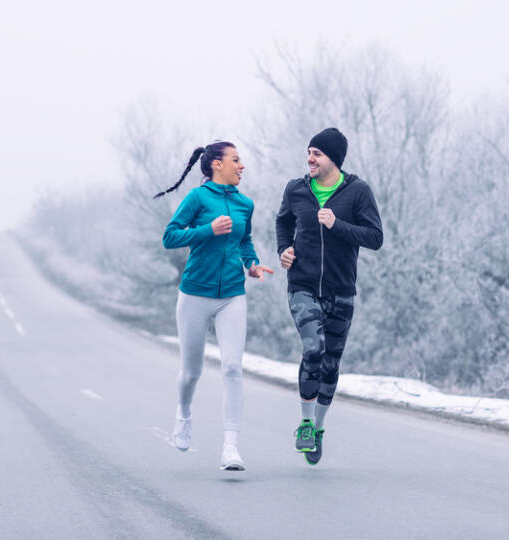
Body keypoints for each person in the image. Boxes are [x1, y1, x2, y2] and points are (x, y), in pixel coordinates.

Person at [157, 141, 273, 471]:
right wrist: (207, 230)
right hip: (194, 294)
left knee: (233, 367)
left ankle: (231, 447)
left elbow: (244, 240)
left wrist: (252, 263)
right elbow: (170, 237)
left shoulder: (244, 204)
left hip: (232, 295)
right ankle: (184, 413)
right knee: (191, 372)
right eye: (236, 160)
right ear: (216, 165)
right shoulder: (197, 198)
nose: (242, 166)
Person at [275, 127, 383, 465]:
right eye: (308, 152)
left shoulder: (358, 192)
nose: (309, 158)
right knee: (313, 348)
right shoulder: (296, 189)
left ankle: (318, 429)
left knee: (332, 363)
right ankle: (305, 424)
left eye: (316, 153)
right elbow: (283, 223)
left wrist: (338, 224)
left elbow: (375, 236)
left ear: (333, 159)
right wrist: (284, 250)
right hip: (303, 285)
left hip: (341, 290)